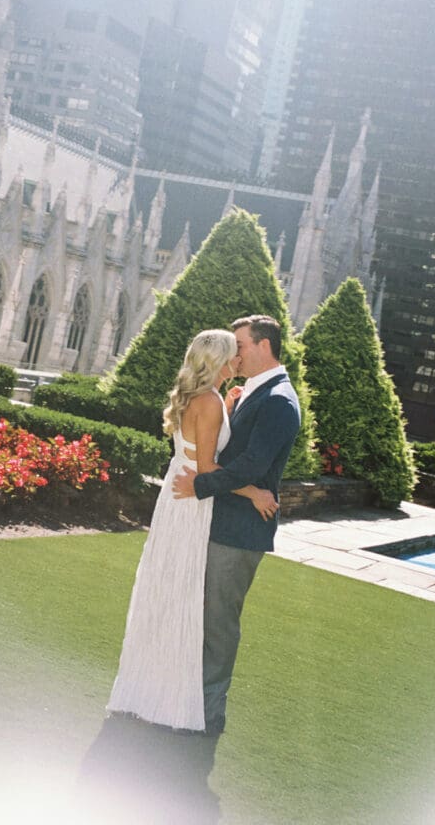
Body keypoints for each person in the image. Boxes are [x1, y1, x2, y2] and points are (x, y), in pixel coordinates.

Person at [107, 329, 275, 732]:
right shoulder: (211, 402)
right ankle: (168, 701)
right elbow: (207, 469)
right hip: (191, 503)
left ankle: (145, 689)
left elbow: (196, 451)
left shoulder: (203, 398)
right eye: (233, 355)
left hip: (176, 497)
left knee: (165, 591)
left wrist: (228, 407)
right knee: (180, 594)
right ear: (217, 361)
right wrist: (254, 492)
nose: (238, 360)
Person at [172, 315, 300, 736]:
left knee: (219, 622)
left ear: (264, 346)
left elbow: (252, 464)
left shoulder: (280, 400)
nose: (235, 353)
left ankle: (208, 716)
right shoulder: (248, 393)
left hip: (239, 530)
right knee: (200, 615)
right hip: (215, 521)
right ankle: (186, 701)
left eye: (241, 346)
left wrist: (201, 484)